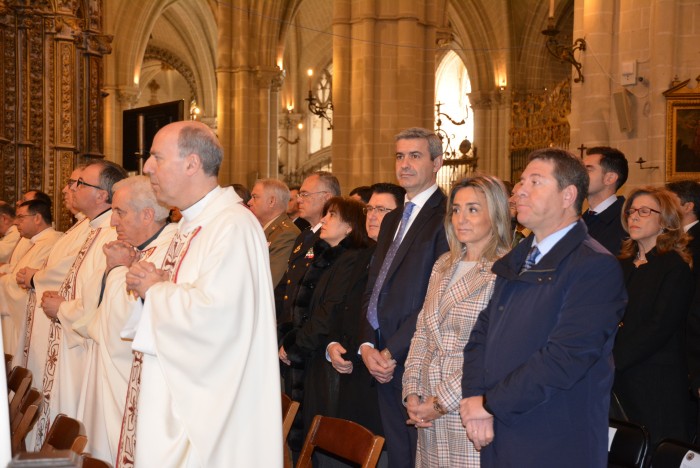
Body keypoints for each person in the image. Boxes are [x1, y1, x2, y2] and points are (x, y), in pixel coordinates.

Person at [122, 121, 281, 467]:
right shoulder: (191, 223)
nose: (147, 167)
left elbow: (220, 321)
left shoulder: (232, 226)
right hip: (177, 395)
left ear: (192, 163)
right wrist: (157, 285)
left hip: (210, 416)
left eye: (157, 157)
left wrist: (156, 289)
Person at [460, 148, 627, 467]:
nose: (519, 189)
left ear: (568, 195)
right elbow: (481, 334)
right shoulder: (519, 257)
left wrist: (489, 404)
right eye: (521, 181)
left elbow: (565, 357)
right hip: (500, 429)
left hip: (552, 437)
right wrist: (473, 397)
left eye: (535, 182)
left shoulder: (594, 266)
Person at [403, 175, 511, 467]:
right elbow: (423, 333)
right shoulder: (443, 264)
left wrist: (440, 403)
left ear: (496, 214)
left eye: (473, 209)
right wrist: (412, 393)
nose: (461, 218)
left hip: (465, 403)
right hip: (426, 400)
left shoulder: (505, 269)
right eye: (456, 209)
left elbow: (491, 352)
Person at [72, 175, 176, 465]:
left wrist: (117, 269)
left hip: (132, 379)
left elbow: (121, 326)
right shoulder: (136, 248)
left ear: (147, 214)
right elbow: (94, 304)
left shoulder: (166, 251)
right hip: (109, 372)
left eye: (120, 212)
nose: (113, 222)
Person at [360, 127, 449, 468]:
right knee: (398, 453)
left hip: (416, 356)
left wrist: (390, 350)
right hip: (380, 357)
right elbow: (374, 286)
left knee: (419, 456)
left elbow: (435, 297)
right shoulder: (393, 218)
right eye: (400, 156)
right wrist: (367, 345)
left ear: (437, 162)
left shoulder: (447, 217)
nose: (405, 164)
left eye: (415, 156)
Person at [34, 160, 127, 449]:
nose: (71, 188)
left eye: (80, 183)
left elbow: (98, 301)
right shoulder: (89, 230)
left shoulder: (111, 236)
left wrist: (62, 309)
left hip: (86, 345)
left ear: (102, 195)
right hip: (71, 339)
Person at [278, 197, 371, 445]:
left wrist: (295, 345)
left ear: (350, 227)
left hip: (321, 358)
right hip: (306, 353)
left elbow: (329, 311)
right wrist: (289, 339)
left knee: (319, 436)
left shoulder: (350, 259)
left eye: (331, 216)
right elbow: (301, 304)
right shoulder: (326, 256)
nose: (323, 220)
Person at [613, 186, 694, 445]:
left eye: (645, 211)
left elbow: (659, 326)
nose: (634, 217)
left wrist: (613, 361)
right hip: (617, 376)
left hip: (655, 379)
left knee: (654, 450)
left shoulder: (674, 266)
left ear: (665, 221)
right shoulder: (620, 263)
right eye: (631, 211)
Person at [327, 182, 404, 436]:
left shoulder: (407, 260)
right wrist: (332, 343)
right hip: (354, 373)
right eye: (370, 209)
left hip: (388, 374)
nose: (371, 215)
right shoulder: (360, 255)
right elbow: (342, 308)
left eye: (381, 210)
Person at [0, 200, 62, 354]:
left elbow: (27, 283)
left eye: (21, 218)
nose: (15, 222)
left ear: (37, 218)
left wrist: (5, 279)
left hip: (35, 319)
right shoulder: (36, 242)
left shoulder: (51, 242)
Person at [248, 178, 300, 287]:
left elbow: (270, 282)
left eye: (254, 197)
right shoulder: (264, 230)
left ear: (271, 201)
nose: (249, 202)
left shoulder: (286, 234)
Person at [582, 146, 629, 255]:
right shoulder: (580, 220)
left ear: (610, 178)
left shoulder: (626, 222)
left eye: (588, 170)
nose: (579, 175)